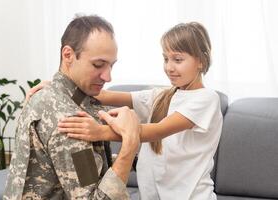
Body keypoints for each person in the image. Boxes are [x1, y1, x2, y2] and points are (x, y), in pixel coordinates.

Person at [56, 22, 223, 200]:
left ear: (201, 61)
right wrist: (59, 86)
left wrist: (100, 132)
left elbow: (158, 131)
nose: (169, 67)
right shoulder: (162, 95)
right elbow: (103, 95)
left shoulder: (206, 99)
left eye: (178, 60)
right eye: (166, 59)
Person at [4, 15, 140, 200]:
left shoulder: (50, 96)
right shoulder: (69, 120)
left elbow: (86, 170)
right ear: (68, 55)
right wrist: (129, 149)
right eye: (98, 65)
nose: (108, 77)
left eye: (111, 65)